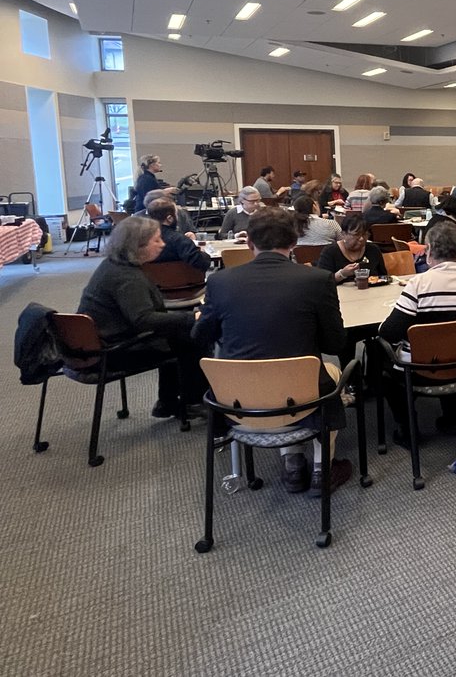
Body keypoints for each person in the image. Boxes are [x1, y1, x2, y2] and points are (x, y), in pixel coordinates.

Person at [193, 207, 352, 495]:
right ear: (294, 242)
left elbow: (200, 336)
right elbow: (335, 344)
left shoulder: (219, 282)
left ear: (249, 242)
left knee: (278, 373)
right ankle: (322, 468)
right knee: (328, 372)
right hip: (300, 398)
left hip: (238, 401)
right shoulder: (317, 280)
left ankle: (293, 464)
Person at [78, 216, 207, 419]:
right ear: (138, 245)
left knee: (177, 334)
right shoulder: (127, 277)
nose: (162, 244)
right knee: (192, 339)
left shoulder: (112, 265)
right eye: (156, 240)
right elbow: (143, 320)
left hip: (98, 342)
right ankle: (192, 402)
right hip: (113, 351)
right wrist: (192, 317)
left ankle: (168, 402)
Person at [378, 224, 456, 439]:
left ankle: (408, 430)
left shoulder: (418, 284)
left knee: (382, 358)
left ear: (429, 250)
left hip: (420, 370)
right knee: (451, 341)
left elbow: (389, 333)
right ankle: (453, 419)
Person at [316, 213, 387, 284]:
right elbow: (321, 282)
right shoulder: (330, 251)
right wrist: (342, 274)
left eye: (364, 234)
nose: (361, 239)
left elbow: (383, 277)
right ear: (343, 234)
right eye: (356, 235)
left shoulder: (373, 249)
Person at [146, 198, 211, 271]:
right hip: (181, 278)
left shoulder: (141, 238)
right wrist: (202, 252)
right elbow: (202, 263)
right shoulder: (179, 240)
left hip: (148, 277)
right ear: (170, 218)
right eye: (176, 214)